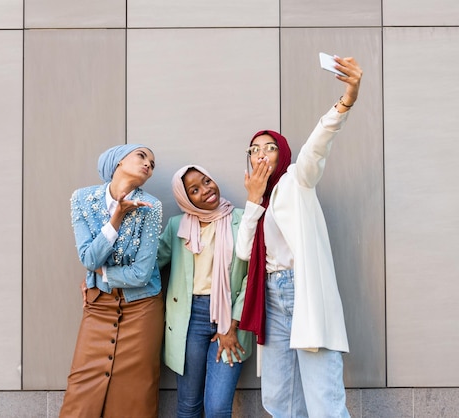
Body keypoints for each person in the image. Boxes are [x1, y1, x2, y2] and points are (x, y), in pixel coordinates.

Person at [235, 55, 362, 417]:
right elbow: (244, 253)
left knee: (324, 401)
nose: (261, 154)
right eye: (254, 149)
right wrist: (252, 201)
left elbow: (317, 145)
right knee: (278, 399)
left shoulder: (296, 180)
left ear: (283, 152)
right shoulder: (256, 200)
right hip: (270, 298)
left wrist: (346, 100)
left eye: (269, 147)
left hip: (301, 289)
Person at [60, 144, 164, 418]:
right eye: (142, 156)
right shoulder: (82, 199)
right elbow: (88, 259)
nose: (148, 165)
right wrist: (116, 218)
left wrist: (102, 276)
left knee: (134, 392)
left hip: (142, 307)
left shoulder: (151, 207)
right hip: (98, 306)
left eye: (152, 164)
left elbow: (141, 274)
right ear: (117, 162)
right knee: (82, 384)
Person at [158, 165, 254, 418]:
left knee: (217, 408)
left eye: (207, 181)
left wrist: (232, 324)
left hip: (230, 317)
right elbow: (149, 265)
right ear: (185, 198)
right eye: (195, 190)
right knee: (188, 406)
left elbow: (252, 277)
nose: (207, 190)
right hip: (189, 320)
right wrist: (98, 275)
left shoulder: (243, 219)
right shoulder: (177, 226)